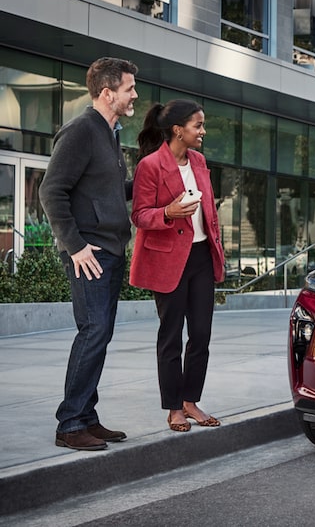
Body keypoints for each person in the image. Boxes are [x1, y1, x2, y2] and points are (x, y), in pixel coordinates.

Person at [39, 57, 139, 451]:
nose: (135, 95)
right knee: (93, 331)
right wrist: (75, 246)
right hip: (90, 252)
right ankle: (70, 423)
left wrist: (151, 178)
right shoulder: (81, 130)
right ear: (107, 92)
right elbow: (51, 191)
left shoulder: (109, 134)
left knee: (101, 333)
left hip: (111, 249)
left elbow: (111, 192)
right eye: (129, 88)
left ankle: (87, 416)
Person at [130, 100, 225, 433]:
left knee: (200, 334)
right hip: (167, 259)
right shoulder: (150, 165)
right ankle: (174, 408)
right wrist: (168, 213)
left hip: (200, 256)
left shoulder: (199, 161)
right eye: (197, 125)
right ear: (177, 130)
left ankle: (190, 401)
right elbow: (139, 215)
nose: (202, 131)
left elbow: (208, 209)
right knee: (170, 336)